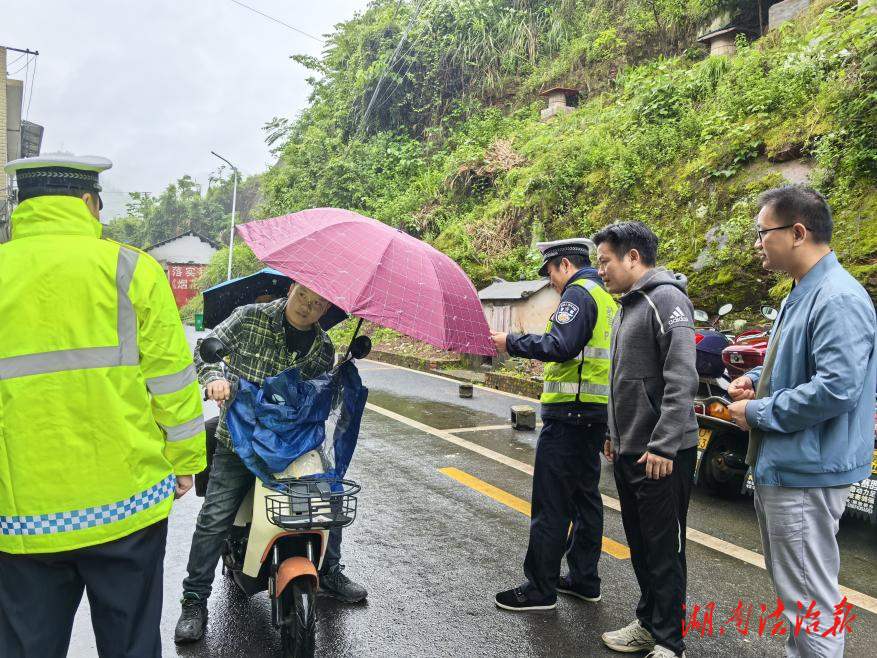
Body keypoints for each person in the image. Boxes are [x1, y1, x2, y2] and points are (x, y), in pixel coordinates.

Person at [0, 154, 206, 658]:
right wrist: (186, 463)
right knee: (131, 643)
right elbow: (173, 383)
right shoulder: (132, 269)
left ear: (23, 205)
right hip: (125, 505)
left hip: (21, 513)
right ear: (89, 202)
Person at [727, 186, 875, 658]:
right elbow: (787, 362)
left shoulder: (836, 298)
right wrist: (754, 379)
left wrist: (757, 411)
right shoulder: (802, 292)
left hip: (806, 472)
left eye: (762, 232)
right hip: (791, 464)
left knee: (810, 602)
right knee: (800, 597)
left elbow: (836, 388)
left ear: (797, 232)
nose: (757, 242)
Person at [175, 282, 367, 644]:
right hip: (239, 438)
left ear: (326, 308)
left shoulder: (323, 348)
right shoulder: (251, 318)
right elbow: (205, 349)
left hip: (292, 443)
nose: (307, 307)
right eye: (303, 297)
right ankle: (194, 599)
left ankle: (330, 570)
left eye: (317, 302)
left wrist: (342, 372)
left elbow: (321, 396)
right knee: (215, 516)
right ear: (292, 288)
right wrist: (215, 378)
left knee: (328, 497)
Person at [492, 238, 618, 611]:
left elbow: (559, 345)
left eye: (550, 272)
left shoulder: (578, 295)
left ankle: (539, 588)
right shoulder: (607, 297)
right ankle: (583, 579)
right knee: (585, 499)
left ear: (564, 264)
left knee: (551, 503)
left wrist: (510, 343)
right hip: (594, 413)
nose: (552, 280)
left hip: (570, 413)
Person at [594, 221, 698, 658]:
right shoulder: (626, 305)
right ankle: (648, 623)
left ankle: (670, 643)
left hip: (662, 455)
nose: (600, 270)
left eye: (605, 261)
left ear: (632, 257)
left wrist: (663, 444)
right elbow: (622, 380)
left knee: (664, 549)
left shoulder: (667, 299)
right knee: (641, 545)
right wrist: (613, 433)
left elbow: (681, 376)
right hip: (631, 450)